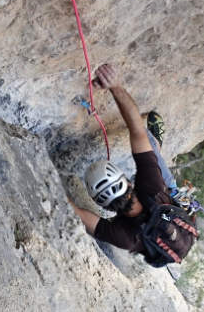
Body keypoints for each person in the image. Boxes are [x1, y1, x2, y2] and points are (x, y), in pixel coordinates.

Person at [66, 63, 179, 255]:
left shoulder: (127, 238)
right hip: (169, 204)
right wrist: (115, 86)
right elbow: (76, 211)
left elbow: (76, 212)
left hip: (171, 230)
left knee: (151, 157)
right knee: (152, 155)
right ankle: (155, 148)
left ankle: (154, 152)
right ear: (128, 181)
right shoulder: (152, 189)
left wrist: (115, 86)